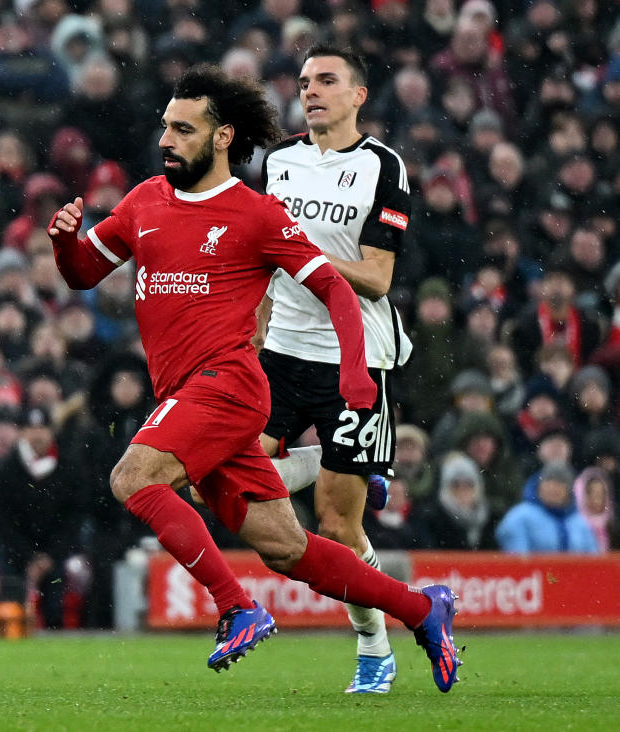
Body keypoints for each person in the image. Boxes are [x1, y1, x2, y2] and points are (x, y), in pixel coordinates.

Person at [48, 64, 459, 690]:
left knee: (133, 476)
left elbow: (336, 290)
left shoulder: (256, 214)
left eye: (183, 130)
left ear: (221, 137)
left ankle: (237, 606)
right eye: (165, 126)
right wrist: (63, 243)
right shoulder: (142, 202)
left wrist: (354, 371)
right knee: (287, 549)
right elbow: (82, 273)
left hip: (228, 385)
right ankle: (421, 609)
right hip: (188, 393)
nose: (166, 140)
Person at [254, 46, 413, 693]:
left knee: (336, 525)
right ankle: (339, 464)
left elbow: (376, 277)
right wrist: (252, 334)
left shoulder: (382, 167)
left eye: (325, 81)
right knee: (220, 478)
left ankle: (374, 649)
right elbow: (263, 264)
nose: (310, 91)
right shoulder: (278, 162)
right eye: (302, 82)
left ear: (357, 95)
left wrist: (301, 252)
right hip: (280, 352)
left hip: (354, 356)